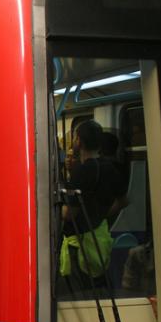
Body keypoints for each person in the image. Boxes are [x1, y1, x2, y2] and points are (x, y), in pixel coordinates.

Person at [59, 120, 128, 291]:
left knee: (80, 290)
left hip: (81, 246)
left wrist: (57, 206)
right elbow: (123, 201)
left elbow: (69, 214)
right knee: (97, 285)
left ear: (79, 142)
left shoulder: (82, 172)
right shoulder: (110, 168)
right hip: (100, 237)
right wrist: (101, 214)